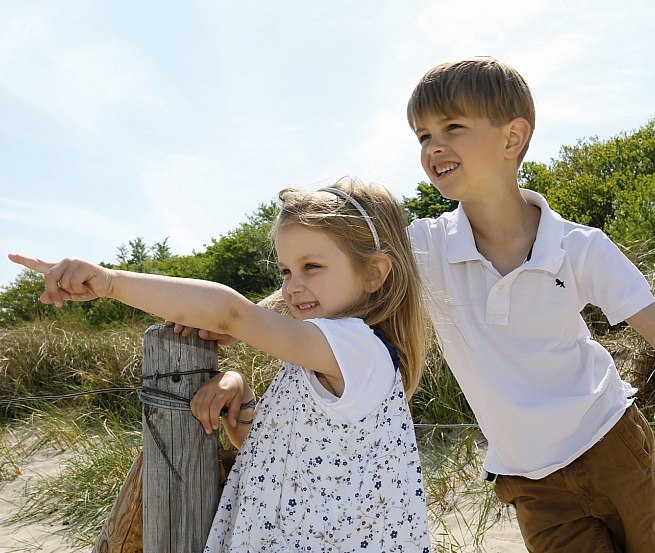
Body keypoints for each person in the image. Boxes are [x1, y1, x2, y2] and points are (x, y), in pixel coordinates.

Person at [9, 177, 432, 553]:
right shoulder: (317, 362)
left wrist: (112, 282)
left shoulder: (359, 350)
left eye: (312, 266)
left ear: (375, 274)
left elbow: (232, 314)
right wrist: (243, 397)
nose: (291, 286)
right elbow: (275, 458)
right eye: (285, 270)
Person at [405, 57, 655, 552]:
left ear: (512, 138)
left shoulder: (579, 247)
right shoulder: (422, 248)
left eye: (452, 126)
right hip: (531, 485)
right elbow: (328, 279)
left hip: (614, 446)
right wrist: (234, 321)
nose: (434, 146)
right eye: (422, 135)